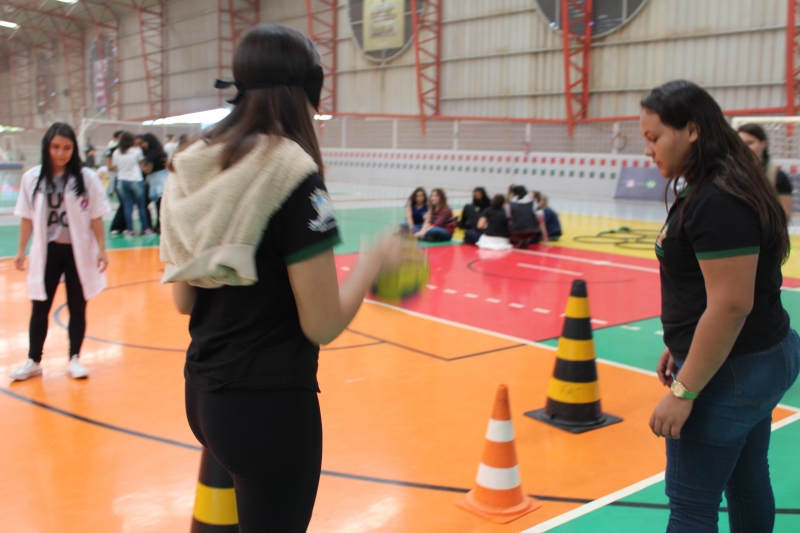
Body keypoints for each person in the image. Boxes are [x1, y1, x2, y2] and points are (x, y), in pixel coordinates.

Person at [161, 24, 401, 532]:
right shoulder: (293, 174)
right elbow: (322, 324)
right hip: (267, 409)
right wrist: (372, 261)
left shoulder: (193, 163)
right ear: (307, 89)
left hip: (202, 394)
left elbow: (184, 300)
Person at [641, 80, 799, 533]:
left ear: (692, 130)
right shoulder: (721, 185)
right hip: (759, 358)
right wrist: (683, 343)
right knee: (748, 480)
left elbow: (731, 305)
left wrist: (683, 391)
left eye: (654, 137)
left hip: (733, 371)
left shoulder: (717, 199)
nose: (648, 150)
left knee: (691, 507)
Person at [10, 122, 111, 381]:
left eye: (67, 148)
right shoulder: (32, 178)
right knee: (40, 306)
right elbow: (26, 217)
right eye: (55, 147)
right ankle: (34, 360)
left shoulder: (86, 178)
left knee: (77, 306)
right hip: (47, 253)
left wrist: (101, 249)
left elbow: (96, 216)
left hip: (78, 253)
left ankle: (74, 358)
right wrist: (21, 249)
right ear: (47, 147)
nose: (61, 153)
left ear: (73, 149)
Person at [737, 123, 793, 219]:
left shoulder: (778, 177)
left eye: (750, 143)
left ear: (764, 143)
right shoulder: (731, 174)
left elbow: (785, 213)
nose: (745, 148)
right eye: (741, 144)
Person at [111, 132, 152, 236]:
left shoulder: (116, 152)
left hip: (122, 181)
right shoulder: (137, 151)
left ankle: (130, 230)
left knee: (127, 207)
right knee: (141, 206)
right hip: (136, 180)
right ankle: (145, 229)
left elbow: (115, 166)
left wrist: (123, 171)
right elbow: (142, 164)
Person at [139, 132, 168, 234]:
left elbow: (148, 170)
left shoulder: (151, 154)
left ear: (149, 142)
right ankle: (159, 226)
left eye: (143, 143)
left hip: (157, 182)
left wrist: (140, 166)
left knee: (150, 204)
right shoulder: (161, 152)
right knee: (160, 205)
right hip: (164, 180)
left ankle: (153, 226)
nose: (142, 145)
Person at [105, 131, 127, 235]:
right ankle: (116, 226)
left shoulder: (129, 150)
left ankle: (123, 226)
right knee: (123, 202)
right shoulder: (112, 150)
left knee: (126, 203)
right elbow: (109, 165)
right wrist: (123, 167)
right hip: (118, 178)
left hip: (128, 178)